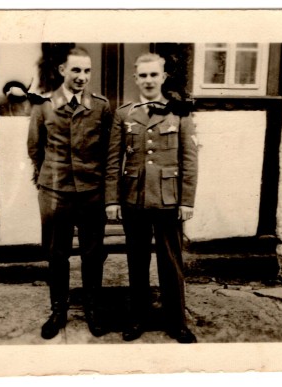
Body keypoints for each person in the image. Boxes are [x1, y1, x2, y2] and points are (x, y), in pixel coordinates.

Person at [105, 53, 198, 343]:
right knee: (137, 260)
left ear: (163, 77)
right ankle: (138, 318)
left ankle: (176, 321)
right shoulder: (124, 114)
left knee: (171, 262)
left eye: (153, 75)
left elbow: (189, 160)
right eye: (142, 76)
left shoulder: (180, 113)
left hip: (169, 199)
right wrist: (112, 200)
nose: (148, 80)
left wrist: (186, 200)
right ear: (135, 79)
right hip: (134, 198)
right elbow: (112, 161)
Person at [27, 47, 112, 340]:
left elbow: (108, 152)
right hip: (55, 192)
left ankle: (93, 309)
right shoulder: (44, 105)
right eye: (76, 70)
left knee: (92, 254)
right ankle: (58, 310)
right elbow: (35, 148)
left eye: (87, 71)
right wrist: (47, 179)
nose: (82, 77)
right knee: (57, 254)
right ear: (63, 70)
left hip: (91, 192)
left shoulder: (101, 106)